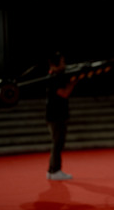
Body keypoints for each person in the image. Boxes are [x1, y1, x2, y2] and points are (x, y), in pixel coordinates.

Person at [45, 51, 83, 180]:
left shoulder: (55, 76)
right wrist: (73, 83)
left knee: (57, 143)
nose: (64, 64)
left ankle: (52, 169)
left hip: (56, 114)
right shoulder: (53, 78)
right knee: (58, 143)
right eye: (62, 62)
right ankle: (55, 170)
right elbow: (64, 93)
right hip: (55, 115)